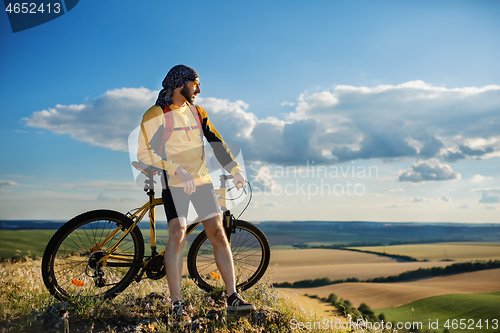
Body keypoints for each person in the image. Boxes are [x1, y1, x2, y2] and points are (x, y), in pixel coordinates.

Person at [137, 65, 255, 322]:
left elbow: (216, 142)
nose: (199, 89)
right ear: (181, 84)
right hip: (174, 182)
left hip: (200, 181)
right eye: (195, 83)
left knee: (217, 232)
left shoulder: (198, 112)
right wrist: (176, 169)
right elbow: (145, 153)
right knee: (178, 233)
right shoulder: (156, 113)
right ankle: (176, 303)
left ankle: (233, 296)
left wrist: (234, 169)